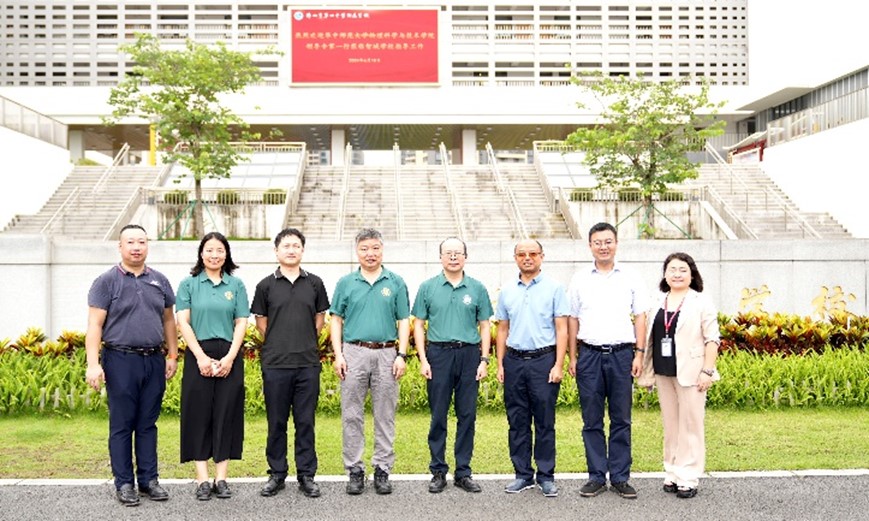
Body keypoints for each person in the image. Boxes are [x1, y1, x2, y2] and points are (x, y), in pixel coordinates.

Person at [85, 224, 179, 507]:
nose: (136, 247)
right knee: (122, 424)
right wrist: (93, 364)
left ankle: (149, 480)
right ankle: (124, 483)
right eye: (130, 242)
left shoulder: (160, 280)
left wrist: (172, 355)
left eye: (141, 242)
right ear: (120, 246)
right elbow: (95, 325)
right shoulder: (106, 282)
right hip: (120, 360)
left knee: (148, 423)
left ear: (147, 245)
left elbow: (168, 320)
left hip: (154, 359)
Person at [567, 222, 648, 500]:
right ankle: (596, 476)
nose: (603, 247)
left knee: (621, 418)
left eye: (608, 241)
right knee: (591, 419)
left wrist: (639, 353)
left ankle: (621, 477)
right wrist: (573, 356)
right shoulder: (579, 278)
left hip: (622, 355)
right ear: (590, 246)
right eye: (598, 242)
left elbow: (640, 316)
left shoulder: (631, 277)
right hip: (589, 355)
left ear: (616, 244)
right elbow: (572, 319)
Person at [330, 228, 410, 496]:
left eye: (375, 248)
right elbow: (336, 320)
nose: (370, 253)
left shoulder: (395, 282)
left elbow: (403, 320)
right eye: (364, 249)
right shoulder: (346, 283)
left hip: (387, 353)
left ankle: (382, 469)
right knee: (351, 413)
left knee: (385, 414)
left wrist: (401, 354)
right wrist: (339, 354)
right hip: (354, 352)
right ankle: (355, 469)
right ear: (357, 251)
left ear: (382, 250)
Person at [251, 228, 330, 499]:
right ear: (276, 251)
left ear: (302, 250)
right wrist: (280, 340)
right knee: (277, 422)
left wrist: (304, 339)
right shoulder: (265, 286)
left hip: (307, 363)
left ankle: (306, 475)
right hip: (275, 364)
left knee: (305, 421)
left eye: (296, 245)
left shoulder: (315, 283)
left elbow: (319, 319)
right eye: (286, 246)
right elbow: (261, 323)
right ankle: (277, 473)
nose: (291, 250)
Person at [412, 237, 493, 494]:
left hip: (469, 355)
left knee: (467, 415)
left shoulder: (477, 288)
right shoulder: (428, 287)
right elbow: (418, 324)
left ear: (466, 257)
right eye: (448, 253)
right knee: (438, 415)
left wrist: (484, 359)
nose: (454, 257)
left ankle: (463, 472)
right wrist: (423, 359)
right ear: (440, 257)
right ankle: (438, 471)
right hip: (439, 355)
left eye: (458, 253)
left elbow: (485, 326)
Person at [638, 252, 720, 499]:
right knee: (671, 425)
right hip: (663, 371)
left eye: (682, 270)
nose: (677, 274)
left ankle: (689, 476)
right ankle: (672, 471)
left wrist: (707, 370)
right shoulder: (657, 300)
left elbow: (712, 339)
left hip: (692, 373)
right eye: (672, 269)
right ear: (665, 274)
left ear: (692, 274)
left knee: (691, 424)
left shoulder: (701, 301)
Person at [175, 232, 249, 501]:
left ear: (226, 254)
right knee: (198, 415)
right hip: (198, 354)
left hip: (229, 354)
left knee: (226, 414)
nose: (214, 255)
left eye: (220, 250)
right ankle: (202, 480)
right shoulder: (189, 284)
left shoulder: (236, 285)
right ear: (201, 253)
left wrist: (230, 358)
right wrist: (200, 357)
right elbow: (183, 322)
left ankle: (222, 478)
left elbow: (241, 322)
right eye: (209, 250)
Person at [495, 239, 569, 498]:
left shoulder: (555, 288)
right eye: (522, 254)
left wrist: (558, 364)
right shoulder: (507, 290)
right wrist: (500, 363)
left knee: (544, 421)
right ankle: (523, 475)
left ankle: (546, 476)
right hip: (514, 361)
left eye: (533, 254)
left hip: (543, 361)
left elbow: (562, 328)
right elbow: (502, 329)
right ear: (515, 258)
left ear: (542, 256)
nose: (527, 258)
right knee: (517, 420)